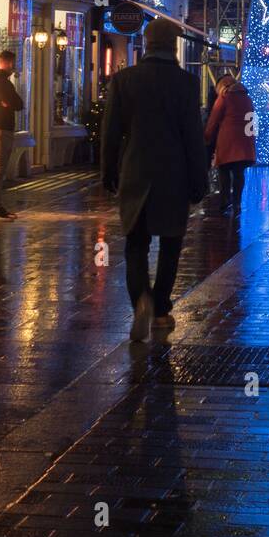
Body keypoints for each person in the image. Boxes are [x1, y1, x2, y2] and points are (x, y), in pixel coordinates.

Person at [101, 18, 208, 341]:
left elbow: (110, 134)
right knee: (171, 245)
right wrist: (199, 179)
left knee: (136, 243)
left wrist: (108, 172)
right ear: (173, 46)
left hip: (135, 171)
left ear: (146, 44)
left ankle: (140, 302)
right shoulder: (186, 84)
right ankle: (161, 309)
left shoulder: (124, 80)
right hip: (173, 175)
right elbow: (193, 137)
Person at [205, 74, 256, 213]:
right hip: (245, 142)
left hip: (228, 142)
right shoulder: (247, 98)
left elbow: (213, 119)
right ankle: (237, 202)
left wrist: (207, 137)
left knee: (224, 171)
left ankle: (224, 199)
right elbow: (252, 121)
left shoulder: (224, 98)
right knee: (239, 172)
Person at [0, 49, 24, 219]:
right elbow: (15, 103)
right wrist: (10, 102)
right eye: (13, 63)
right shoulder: (1, 83)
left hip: (2, 129)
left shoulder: (1, 82)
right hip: (0, 130)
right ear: (8, 63)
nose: (14, 67)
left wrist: (10, 102)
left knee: (0, 169)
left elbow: (17, 103)